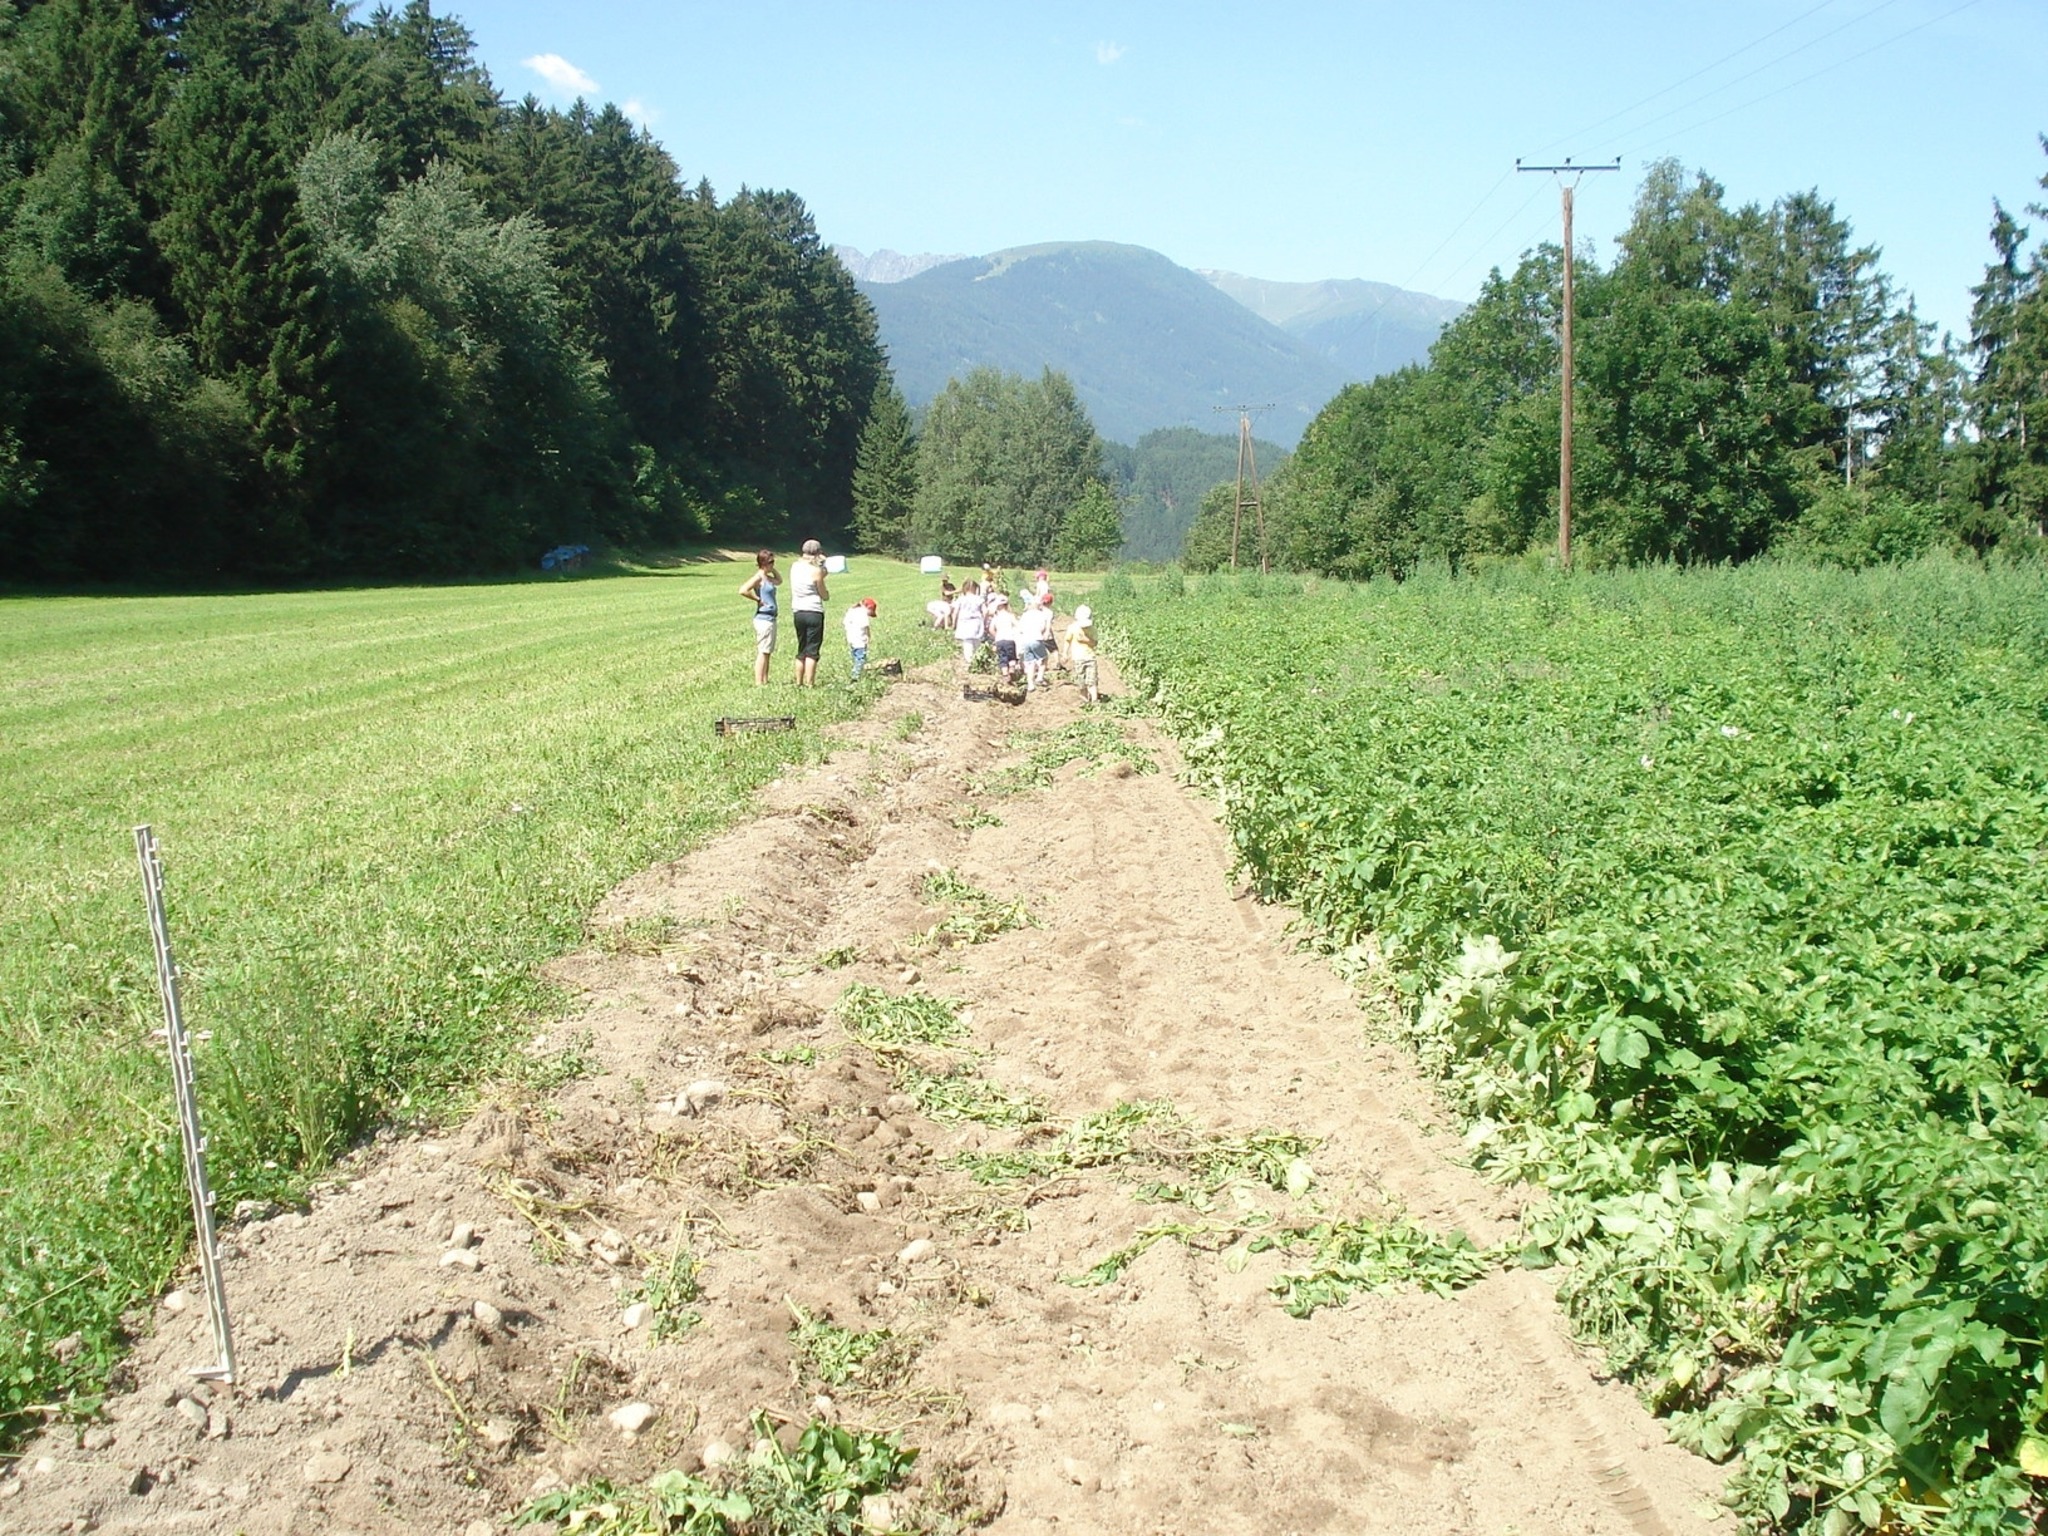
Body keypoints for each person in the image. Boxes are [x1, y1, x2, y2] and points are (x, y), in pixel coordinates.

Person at [790, 538, 829, 686]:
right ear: (818, 553)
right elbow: (823, 594)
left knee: (802, 649)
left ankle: (799, 682)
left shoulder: (794, 567)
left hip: (798, 611)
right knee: (812, 651)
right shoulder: (816, 571)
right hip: (814, 611)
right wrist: (823, 565)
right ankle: (810, 683)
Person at [738, 548, 780, 686]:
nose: (772, 564)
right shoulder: (759, 577)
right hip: (763, 618)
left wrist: (773, 569)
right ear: (763, 563)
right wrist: (757, 599)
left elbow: (779, 580)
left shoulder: (767, 577)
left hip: (771, 618)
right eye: (770, 562)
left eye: (773, 562)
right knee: (763, 651)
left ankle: (765, 679)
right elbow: (743, 590)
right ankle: (758, 682)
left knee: (768, 651)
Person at [951, 579, 986, 697]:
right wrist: (984, 620)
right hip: (976, 622)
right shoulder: (979, 599)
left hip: (965, 623)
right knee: (977, 644)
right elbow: (985, 611)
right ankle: (977, 663)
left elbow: (955, 612)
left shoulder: (961, 599)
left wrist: (953, 624)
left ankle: (970, 665)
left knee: (967, 645)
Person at [1017, 590, 1054, 692]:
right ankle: (1039, 677)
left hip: (1026, 641)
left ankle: (1030, 684)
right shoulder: (1041, 615)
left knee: (1030, 663)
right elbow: (1043, 628)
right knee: (1044, 658)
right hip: (1037, 639)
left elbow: (1020, 629)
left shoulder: (1025, 615)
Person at [1063, 603, 1098, 703]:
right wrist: (1065, 653)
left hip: (1090, 658)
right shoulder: (1072, 628)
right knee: (1081, 680)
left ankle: (1095, 700)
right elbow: (1067, 640)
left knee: (1092, 680)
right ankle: (1084, 698)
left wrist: (1085, 639)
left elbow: (1094, 643)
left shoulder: (1092, 629)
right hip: (1078, 658)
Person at [988, 592, 1020, 691]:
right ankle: (1012, 669)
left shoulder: (996, 617)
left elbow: (991, 629)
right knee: (1012, 657)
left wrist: (996, 636)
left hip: (999, 640)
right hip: (1010, 639)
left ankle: (1005, 675)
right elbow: (1018, 626)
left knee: (1003, 658)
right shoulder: (1010, 616)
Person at [843, 596, 876, 682]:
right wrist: (868, 636)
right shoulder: (862, 614)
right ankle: (856, 676)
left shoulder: (851, 611)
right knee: (861, 659)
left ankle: (861, 674)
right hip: (860, 640)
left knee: (855, 657)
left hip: (851, 639)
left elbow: (845, 624)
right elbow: (866, 627)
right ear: (868, 608)